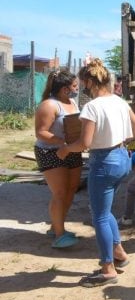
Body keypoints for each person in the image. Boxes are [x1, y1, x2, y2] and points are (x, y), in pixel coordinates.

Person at [57, 59, 135, 287]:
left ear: (91, 82)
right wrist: (120, 136)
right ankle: (119, 255)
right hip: (122, 157)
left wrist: (66, 149)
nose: (83, 88)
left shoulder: (92, 107)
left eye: (84, 83)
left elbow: (84, 143)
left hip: (103, 161)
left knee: (99, 216)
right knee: (104, 212)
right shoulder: (120, 102)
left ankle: (107, 269)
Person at [34, 70, 83, 249]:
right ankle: (60, 235)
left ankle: (56, 226)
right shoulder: (49, 105)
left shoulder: (72, 102)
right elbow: (41, 132)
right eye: (75, 86)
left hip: (71, 151)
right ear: (65, 88)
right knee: (60, 192)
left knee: (71, 189)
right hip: (50, 152)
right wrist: (62, 141)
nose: (77, 89)